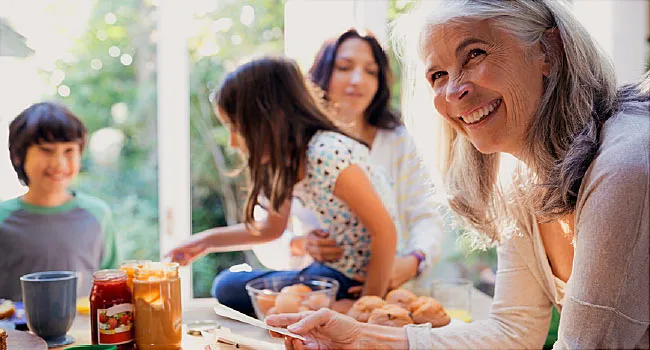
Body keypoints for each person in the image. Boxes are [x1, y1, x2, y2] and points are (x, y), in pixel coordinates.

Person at [266, 0, 650, 349]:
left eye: (475, 54)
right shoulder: (521, 178)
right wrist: (360, 336)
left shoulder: (623, 166)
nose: (453, 91)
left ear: (548, 51)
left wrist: (410, 264)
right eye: (437, 75)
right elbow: (512, 331)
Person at [167, 57, 399, 315]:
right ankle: (327, 307)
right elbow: (269, 229)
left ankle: (340, 308)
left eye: (236, 128)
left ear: (270, 119)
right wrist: (205, 241)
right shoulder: (288, 163)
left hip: (354, 279)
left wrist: (367, 306)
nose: (233, 142)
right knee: (228, 285)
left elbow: (385, 232)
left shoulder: (327, 154)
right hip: (332, 274)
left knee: (229, 286)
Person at [255, 28, 445, 298]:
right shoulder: (295, 144)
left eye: (371, 71)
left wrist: (412, 262)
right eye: (344, 67)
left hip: (392, 290)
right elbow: (266, 230)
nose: (358, 80)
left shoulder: (398, 141)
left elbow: (425, 216)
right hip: (321, 287)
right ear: (320, 74)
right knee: (231, 286)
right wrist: (302, 245)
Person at [0, 102, 118, 300]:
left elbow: (113, 286)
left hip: (83, 330)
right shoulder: (3, 218)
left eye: (69, 151)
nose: (59, 163)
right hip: (13, 331)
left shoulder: (98, 214)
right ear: (19, 155)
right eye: (46, 150)